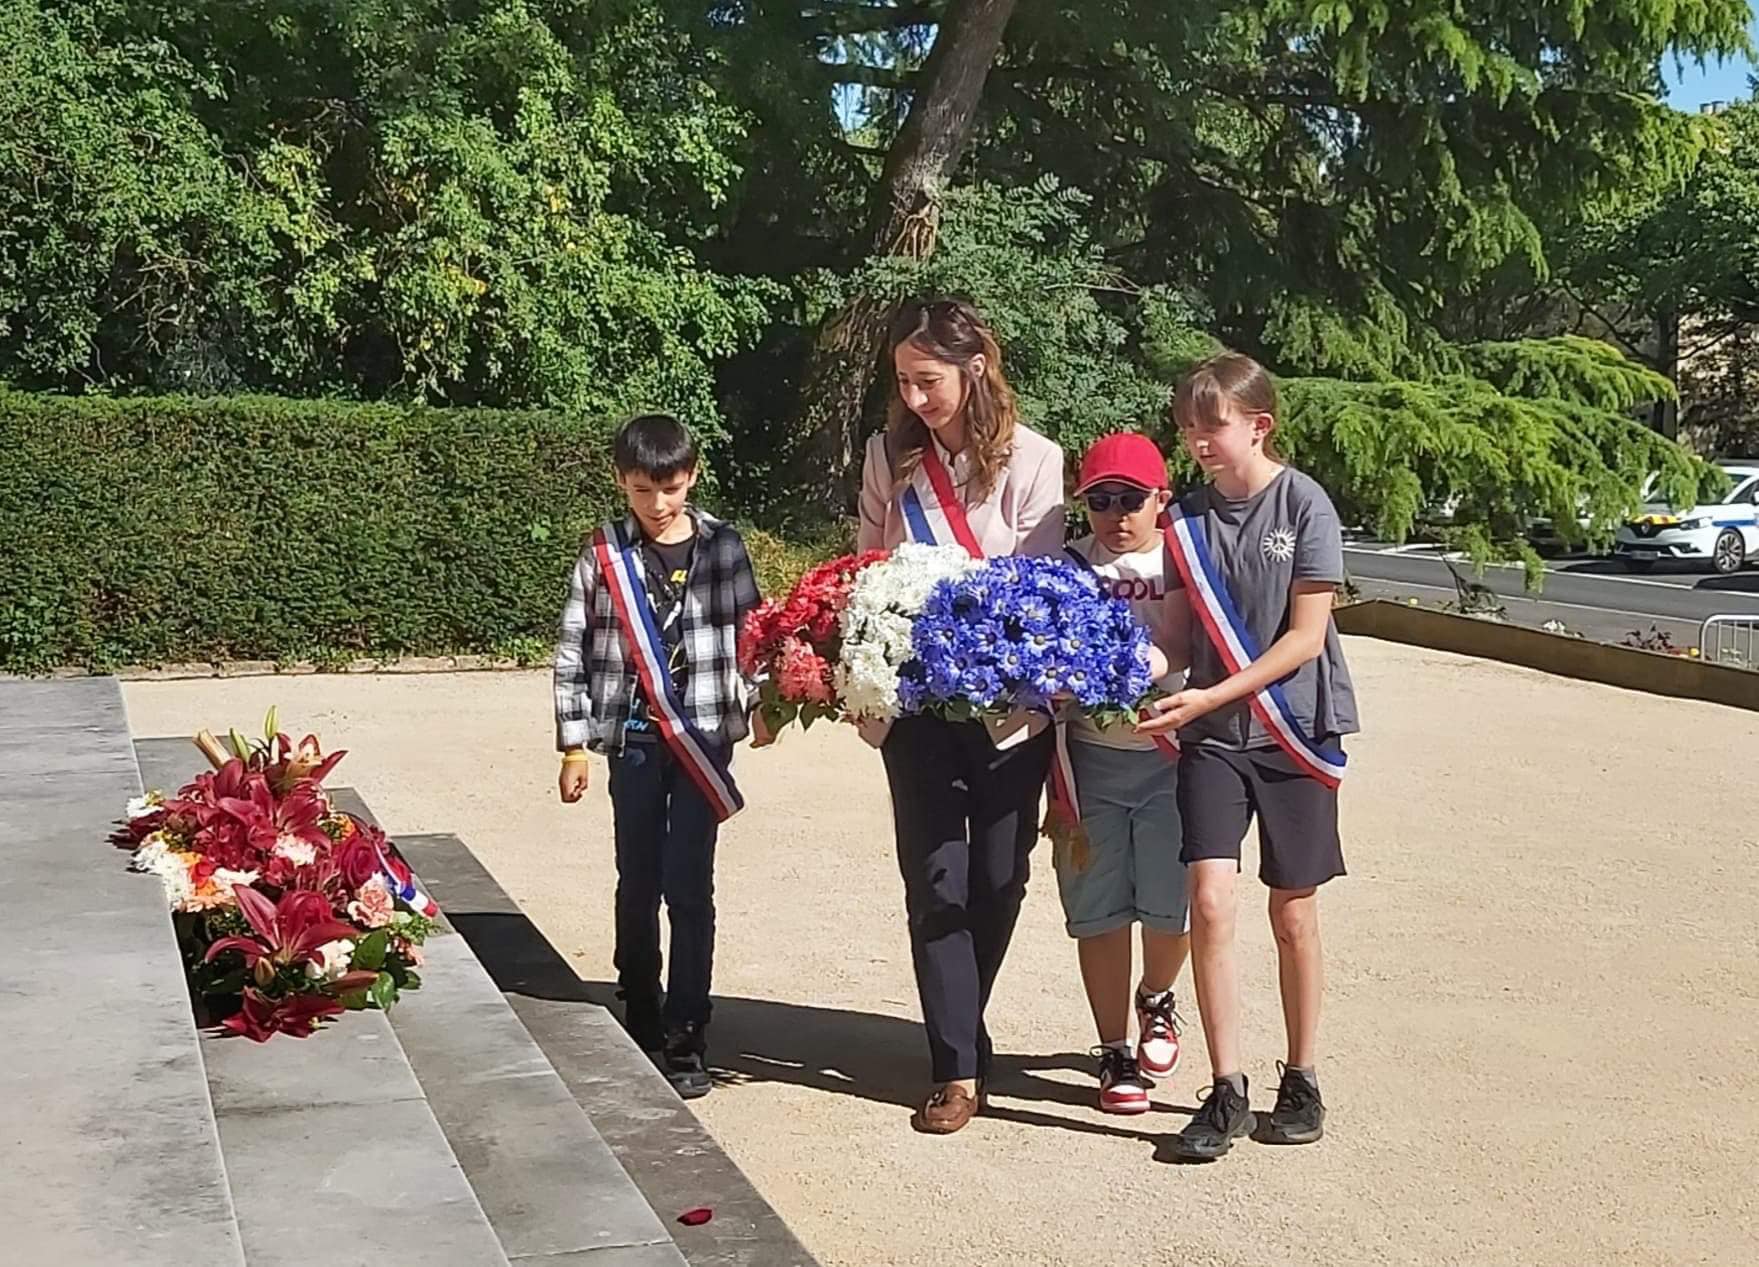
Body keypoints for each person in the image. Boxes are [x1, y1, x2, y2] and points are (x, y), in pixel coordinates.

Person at [1137, 352, 1359, 1161]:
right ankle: (1223, 1088)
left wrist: (1208, 693)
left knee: (1292, 911)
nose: (1195, 438)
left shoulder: (1304, 503)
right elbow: (1170, 635)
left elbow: (1304, 638)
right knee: (1208, 903)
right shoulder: (1183, 519)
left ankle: (1299, 1076)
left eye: (1211, 424)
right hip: (1212, 740)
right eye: (1187, 425)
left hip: (1294, 730)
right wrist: (1126, 672)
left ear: (1256, 425)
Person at [856, 297, 1066, 1134]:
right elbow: (867, 564)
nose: (914, 399)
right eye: (903, 382)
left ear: (974, 367)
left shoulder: (1036, 460)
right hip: (914, 706)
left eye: (928, 380)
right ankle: (954, 1067)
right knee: (936, 878)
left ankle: (962, 1022)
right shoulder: (887, 455)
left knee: (999, 877)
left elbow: (1042, 587)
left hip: (1008, 710)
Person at [553, 412, 768, 1100]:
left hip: (704, 735)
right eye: (644, 489)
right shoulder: (603, 554)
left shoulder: (724, 547)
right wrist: (572, 742)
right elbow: (571, 650)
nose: (658, 503)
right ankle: (640, 1000)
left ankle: (687, 1028)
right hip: (635, 738)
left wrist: (763, 703)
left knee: (690, 885)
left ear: (692, 476)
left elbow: (754, 633)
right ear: (622, 482)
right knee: (637, 876)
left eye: (670, 488)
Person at [1056, 432, 1190, 1114]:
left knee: (1172, 905)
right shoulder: (1066, 564)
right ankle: (1112, 1049)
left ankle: (1157, 999)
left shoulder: (1185, 558)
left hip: (1172, 758)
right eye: (1099, 499)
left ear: (1160, 498)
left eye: (1130, 498)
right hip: (1089, 758)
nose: (1115, 514)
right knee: (1098, 909)